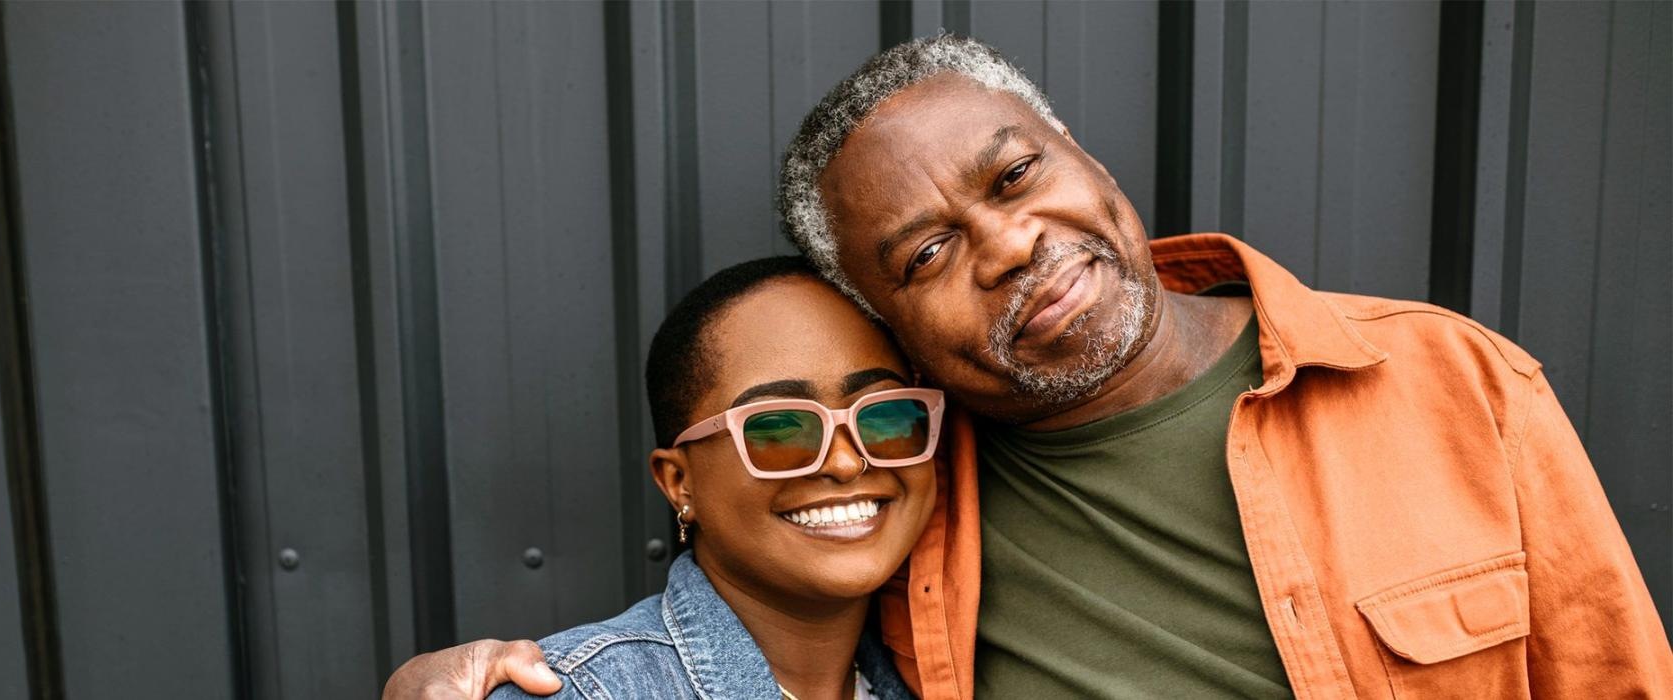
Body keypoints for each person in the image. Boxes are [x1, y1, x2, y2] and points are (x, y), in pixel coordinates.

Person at [387, 35, 1672, 699]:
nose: (1010, 245)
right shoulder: (910, 494)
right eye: (931, 249)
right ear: (884, 316)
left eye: (1016, 176)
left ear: (1082, 153)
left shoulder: (1453, 383)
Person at [482, 256, 936, 699]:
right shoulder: (582, 691)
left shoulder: (938, 676)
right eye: (777, 428)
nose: (844, 462)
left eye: (885, 415)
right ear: (680, 482)